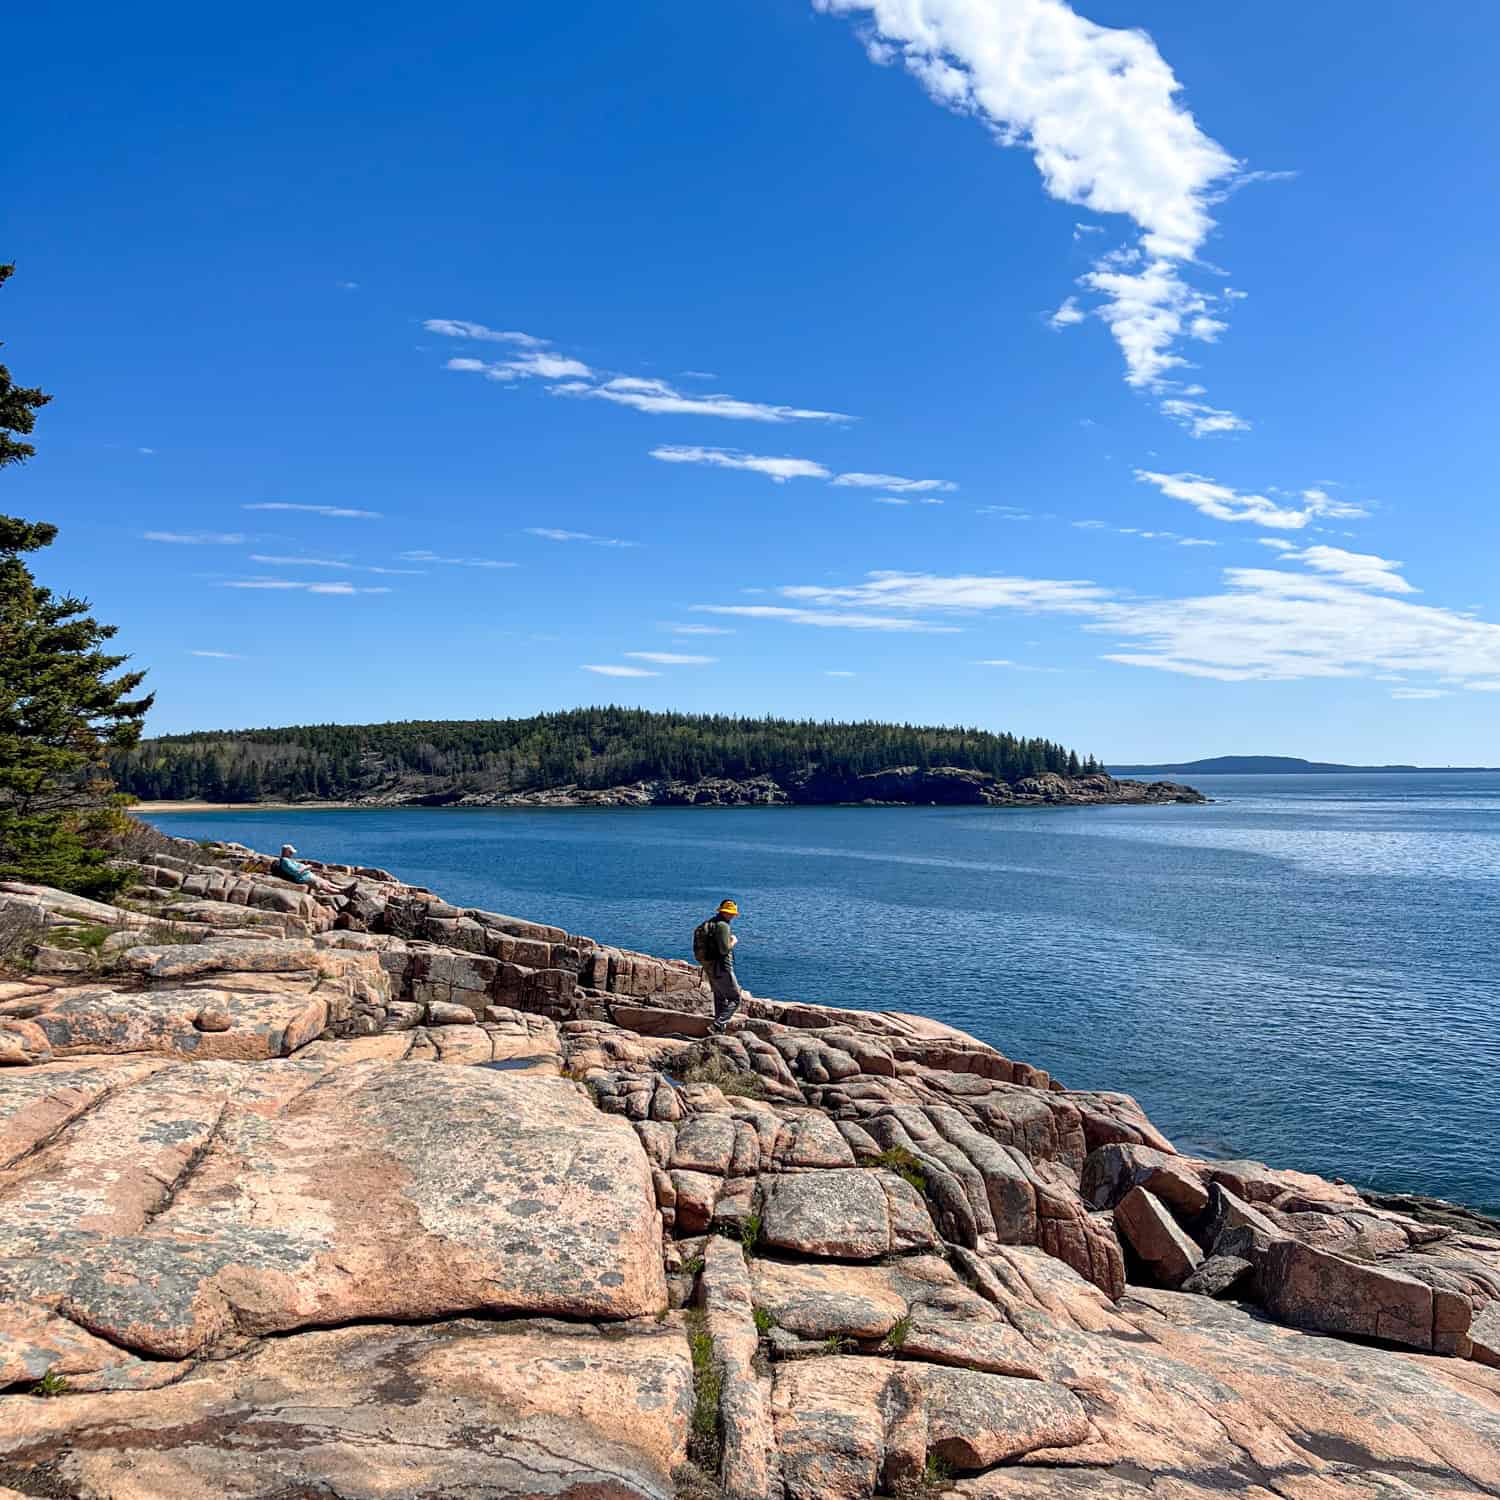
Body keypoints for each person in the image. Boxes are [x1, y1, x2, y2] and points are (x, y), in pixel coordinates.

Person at [693, 898, 744, 1033]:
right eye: (731, 912)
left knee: (720, 996)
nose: (733, 915)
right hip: (722, 966)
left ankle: (718, 1029)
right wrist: (733, 941)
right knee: (735, 998)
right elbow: (724, 950)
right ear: (726, 912)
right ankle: (717, 1025)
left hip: (709, 965)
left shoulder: (710, 923)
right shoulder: (723, 926)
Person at [269, 844, 354, 896]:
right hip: (302, 878)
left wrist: (306, 867)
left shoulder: (288, 860)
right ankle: (343, 893)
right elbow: (296, 872)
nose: (292, 854)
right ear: (286, 852)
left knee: (326, 882)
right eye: (291, 852)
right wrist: (306, 867)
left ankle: (343, 889)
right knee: (323, 886)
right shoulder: (285, 862)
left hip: (307, 875)